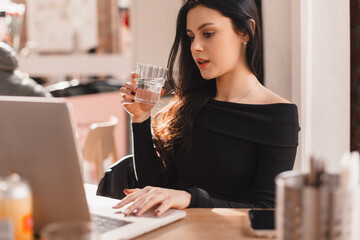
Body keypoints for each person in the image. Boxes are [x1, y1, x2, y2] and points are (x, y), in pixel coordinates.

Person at [114, 0, 300, 217]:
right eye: (191, 36)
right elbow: (154, 187)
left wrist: (191, 198)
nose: (195, 47)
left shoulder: (278, 115)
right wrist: (141, 117)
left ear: (245, 32)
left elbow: (267, 211)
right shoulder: (192, 104)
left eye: (208, 33)